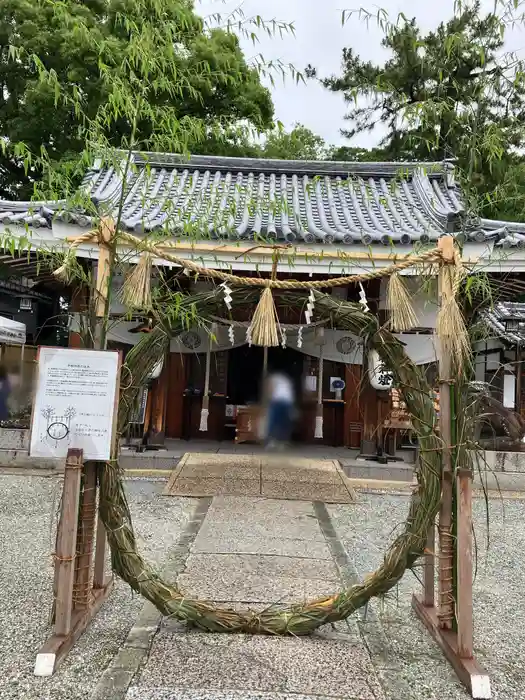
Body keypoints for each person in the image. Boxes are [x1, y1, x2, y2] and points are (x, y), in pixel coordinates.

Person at [265, 370, 295, 448]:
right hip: (287, 402)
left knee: (273, 422)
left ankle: (272, 441)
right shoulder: (286, 380)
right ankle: (282, 442)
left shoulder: (273, 378)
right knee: (284, 423)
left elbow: (270, 389)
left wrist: (268, 400)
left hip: (277, 401)